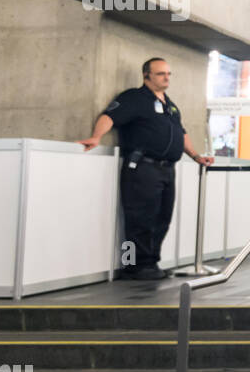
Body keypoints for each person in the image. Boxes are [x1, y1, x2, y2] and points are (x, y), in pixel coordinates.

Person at [80, 57, 213, 280]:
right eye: (161, 74)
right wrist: (96, 136)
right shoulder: (135, 98)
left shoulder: (169, 105)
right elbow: (109, 116)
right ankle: (131, 265)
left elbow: (181, 133)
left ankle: (150, 263)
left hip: (166, 170)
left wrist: (196, 156)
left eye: (169, 74)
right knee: (138, 219)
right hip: (142, 168)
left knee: (161, 218)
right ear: (146, 75)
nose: (166, 77)